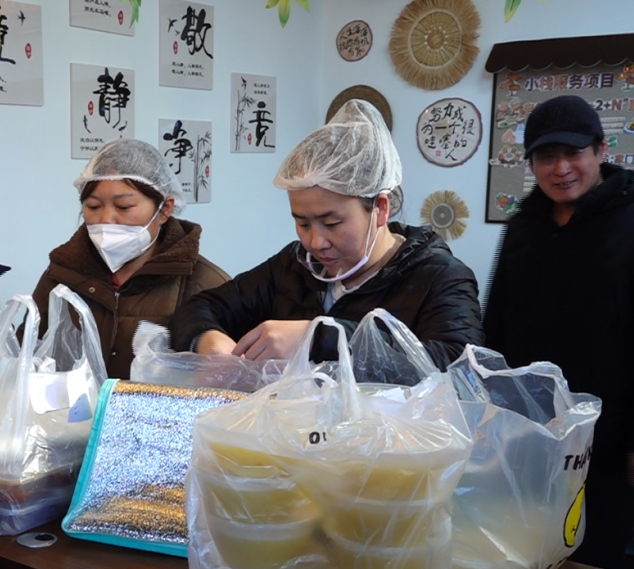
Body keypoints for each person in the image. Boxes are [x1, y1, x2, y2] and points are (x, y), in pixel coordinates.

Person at [482, 94, 634, 569]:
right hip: (528, 432)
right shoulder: (523, 228)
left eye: (574, 153)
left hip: (612, 440)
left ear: (601, 151)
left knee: (590, 564)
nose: (561, 168)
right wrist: (487, 415)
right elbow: (496, 325)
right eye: (546, 156)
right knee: (520, 553)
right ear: (531, 164)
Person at [168, 99, 484, 368]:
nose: (315, 242)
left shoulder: (440, 277)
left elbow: (458, 366)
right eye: (303, 223)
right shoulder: (293, 266)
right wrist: (207, 340)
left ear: (380, 208)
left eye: (331, 223)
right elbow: (199, 308)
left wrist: (319, 338)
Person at [31, 138, 229, 379]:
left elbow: (228, 378)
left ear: (165, 209)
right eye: (93, 207)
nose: (106, 219)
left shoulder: (205, 283)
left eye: (124, 207)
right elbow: (26, 351)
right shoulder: (63, 273)